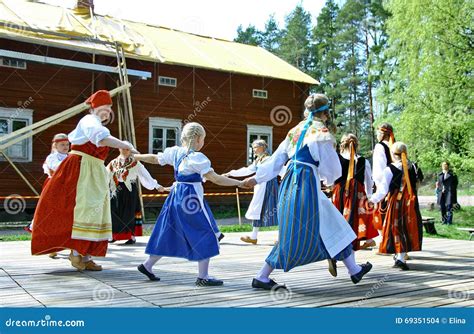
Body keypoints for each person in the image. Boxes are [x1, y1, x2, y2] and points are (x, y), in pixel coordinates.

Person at [243, 93, 372, 290]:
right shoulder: (321, 133)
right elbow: (333, 168)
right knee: (298, 230)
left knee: (331, 222)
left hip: (289, 181)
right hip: (306, 182)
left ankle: (354, 270)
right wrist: (329, 181)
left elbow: (277, 160)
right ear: (326, 113)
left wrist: (256, 178)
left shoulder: (294, 131)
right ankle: (262, 276)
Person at [31, 90, 137, 271]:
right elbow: (101, 139)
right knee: (82, 208)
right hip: (81, 169)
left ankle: (86, 255)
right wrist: (124, 145)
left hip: (93, 169)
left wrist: (124, 147)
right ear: (94, 108)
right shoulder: (89, 121)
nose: (107, 111)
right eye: (104, 107)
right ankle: (76, 252)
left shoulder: (98, 124)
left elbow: (104, 139)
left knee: (96, 211)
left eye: (110, 108)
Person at [135, 122, 247, 286]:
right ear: (197, 139)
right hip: (191, 199)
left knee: (168, 231)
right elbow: (215, 178)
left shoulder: (175, 152)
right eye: (203, 139)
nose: (203, 142)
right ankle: (203, 276)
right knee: (205, 233)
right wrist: (239, 183)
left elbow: (154, 158)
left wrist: (135, 156)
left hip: (175, 197)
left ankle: (147, 265)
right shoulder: (197, 158)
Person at [369, 142, 423, 270]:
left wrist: (372, 200)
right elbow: (418, 183)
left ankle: (400, 258)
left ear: (393, 154)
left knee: (396, 228)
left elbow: (382, 190)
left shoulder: (390, 169)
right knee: (407, 227)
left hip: (396, 202)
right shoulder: (413, 167)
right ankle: (400, 256)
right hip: (411, 202)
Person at [108, 144, 166, 244]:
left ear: (130, 150)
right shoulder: (113, 163)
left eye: (127, 149)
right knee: (114, 212)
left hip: (130, 190)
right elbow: (105, 174)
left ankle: (131, 237)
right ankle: (114, 235)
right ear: (119, 149)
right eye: (123, 148)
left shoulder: (135, 163)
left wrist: (156, 186)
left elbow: (144, 174)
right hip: (115, 190)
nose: (125, 150)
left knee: (129, 213)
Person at [25, 133, 70, 259]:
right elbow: (58, 169)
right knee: (50, 215)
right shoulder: (52, 157)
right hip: (53, 188)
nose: (65, 147)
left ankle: (64, 243)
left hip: (67, 189)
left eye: (67, 144)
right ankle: (50, 246)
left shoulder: (70, 157)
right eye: (62, 145)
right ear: (55, 145)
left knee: (65, 216)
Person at [224, 139, 278, 244]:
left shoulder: (268, 159)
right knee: (257, 209)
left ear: (262, 147)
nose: (253, 150)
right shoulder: (258, 160)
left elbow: (279, 169)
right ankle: (253, 236)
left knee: (275, 209)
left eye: (255, 147)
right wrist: (230, 173)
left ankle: (281, 237)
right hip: (260, 187)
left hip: (270, 187)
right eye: (252, 147)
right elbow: (247, 170)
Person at [332, 134, 378, 252]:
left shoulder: (336, 158)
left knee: (339, 217)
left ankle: (340, 244)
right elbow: (369, 181)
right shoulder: (363, 161)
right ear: (357, 145)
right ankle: (358, 242)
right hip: (358, 194)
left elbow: (332, 177)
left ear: (342, 145)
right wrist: (368, 197)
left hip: (340, 192)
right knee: (357, 218)